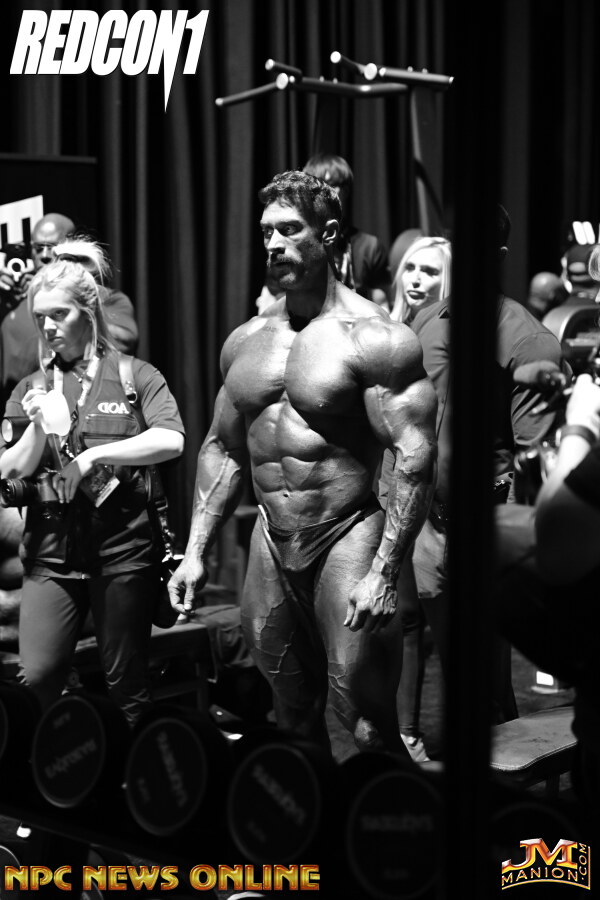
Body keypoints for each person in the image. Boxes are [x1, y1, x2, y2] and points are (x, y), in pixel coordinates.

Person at [169, 170, 437, 754]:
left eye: (290, 230)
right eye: (267, 231)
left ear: (329, 234)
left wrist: (385, 572)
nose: (273, 243)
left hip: (347, 533)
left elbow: (414, 456)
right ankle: (314, 815)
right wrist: (194, 552)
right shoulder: (246, 340)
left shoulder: (375, 337)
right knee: (290, 713)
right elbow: (222, 447)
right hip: (272, 539)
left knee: (366, 722)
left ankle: (394, 815)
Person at [381, 207, 568, 754]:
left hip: (485, 521)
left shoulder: (525, 337)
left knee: (483, 668)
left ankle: (500, 778)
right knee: (428, 640)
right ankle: (423, 751)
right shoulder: (425, 322)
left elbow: (534, 458)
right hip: (422, 517)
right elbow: (401, 417)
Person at [0, 239, 185, 727]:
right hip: (51, 557)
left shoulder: (134, 376)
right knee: (37, 678)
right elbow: (10, 472)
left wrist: (92, 455)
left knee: (127, 688)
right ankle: (51, 766)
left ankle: (129, 769)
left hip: (122, 553)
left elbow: (172, 440)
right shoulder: (31, 388)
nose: (47, 327)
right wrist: (39, 426)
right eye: (40, 317)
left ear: (88, 312)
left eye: (59, 314)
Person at [0, 213, 138, 405]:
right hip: (21, 409)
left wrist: (78, 304)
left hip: (82, 405)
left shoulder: (106, 299)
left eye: (53, 247)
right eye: (38, 248)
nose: (45, 256)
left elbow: (125, 342)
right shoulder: (11, 303)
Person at [302, 153, 392, 309]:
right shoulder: (292, 242)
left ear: (347, 190)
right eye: (323, 184)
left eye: (338, 184)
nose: (332, 191)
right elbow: (272, 299)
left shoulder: (369, 246)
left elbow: (382, 306)